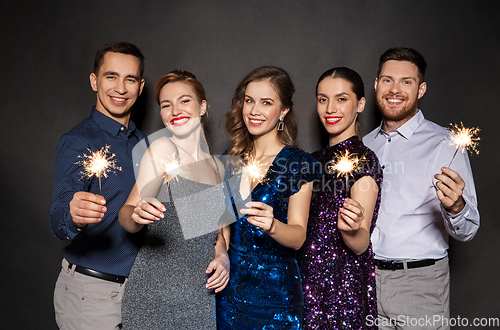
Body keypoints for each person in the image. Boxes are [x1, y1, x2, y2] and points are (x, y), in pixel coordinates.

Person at [363, 47, 480, 329]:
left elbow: (470, 228)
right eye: (388, 80)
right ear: (377, 84)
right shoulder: (364, 146)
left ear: (421, 88)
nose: (395, 90)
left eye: (407, 82)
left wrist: (456, 207)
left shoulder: (444, 144)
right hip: (366, 280)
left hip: (420, 283)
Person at [118, 70, 229, 329]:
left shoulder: (218, 167)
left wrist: (223, 255)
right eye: (166, 105)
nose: (175, 110)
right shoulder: (164, 150)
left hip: (199, 298)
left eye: (184, 101)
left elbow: (217, 234)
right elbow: (127, 214)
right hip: (154, 297)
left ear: (202, 106)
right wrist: (136, 215)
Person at [49, 41, 146, 329]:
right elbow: (57, 217)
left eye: (130, 79)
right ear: (94, 81)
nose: (120, 88)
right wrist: (72, 215)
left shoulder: (147, 145)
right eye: (111, 76)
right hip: (90, 294)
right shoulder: (79, 141)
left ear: (140, 87)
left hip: (138, 294)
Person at [216, 66, 320, 329]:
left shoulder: (298, 163)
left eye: (266, 103)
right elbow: (220, 228)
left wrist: (273, 225)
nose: (254, 110)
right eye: (249, 101)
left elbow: (298, 237)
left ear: (283, 110)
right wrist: (220, 253)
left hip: (277, 299)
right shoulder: (230, 160)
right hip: (231, 293)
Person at [298, 67, 382, 329]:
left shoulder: (364, 161)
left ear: (360, 104)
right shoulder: (309, 160)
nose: (330, 108)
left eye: (341, 99)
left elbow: (361, 243)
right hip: (304, 283)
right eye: (323, 99)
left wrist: (350, 230)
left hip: (340, 292)